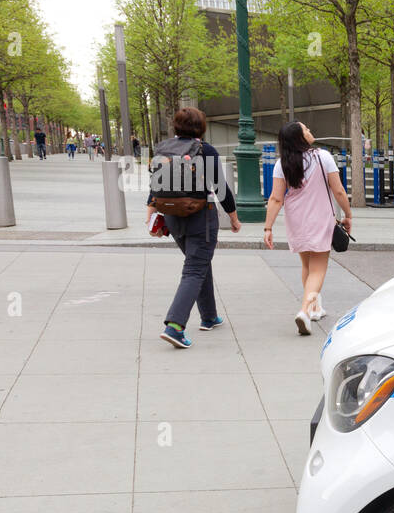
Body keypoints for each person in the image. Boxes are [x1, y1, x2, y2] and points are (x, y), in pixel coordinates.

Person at [148, 107, 241, 349]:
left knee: (199, 263)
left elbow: (155, 185)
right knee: (194, 269)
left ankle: (209, 316)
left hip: (172, 218)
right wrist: (233, 216)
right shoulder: (205, 149)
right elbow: (220, 187)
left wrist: (151, 213)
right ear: (201, 127)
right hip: (200, 216)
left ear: (176, 126)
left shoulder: (164, 148)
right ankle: (175, 327)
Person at [262, 121, 353, 334]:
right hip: (320, 217)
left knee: (307, 266)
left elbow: (276, 198)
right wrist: (348, 215)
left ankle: (315, 308)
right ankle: (304, 310)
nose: (311, 131)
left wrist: (268, 228)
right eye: (306, 129)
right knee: (318, 269)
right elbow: (338, 190)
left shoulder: (281, 163)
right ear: (299, 137)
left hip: (296, 219)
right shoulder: (323, 157)